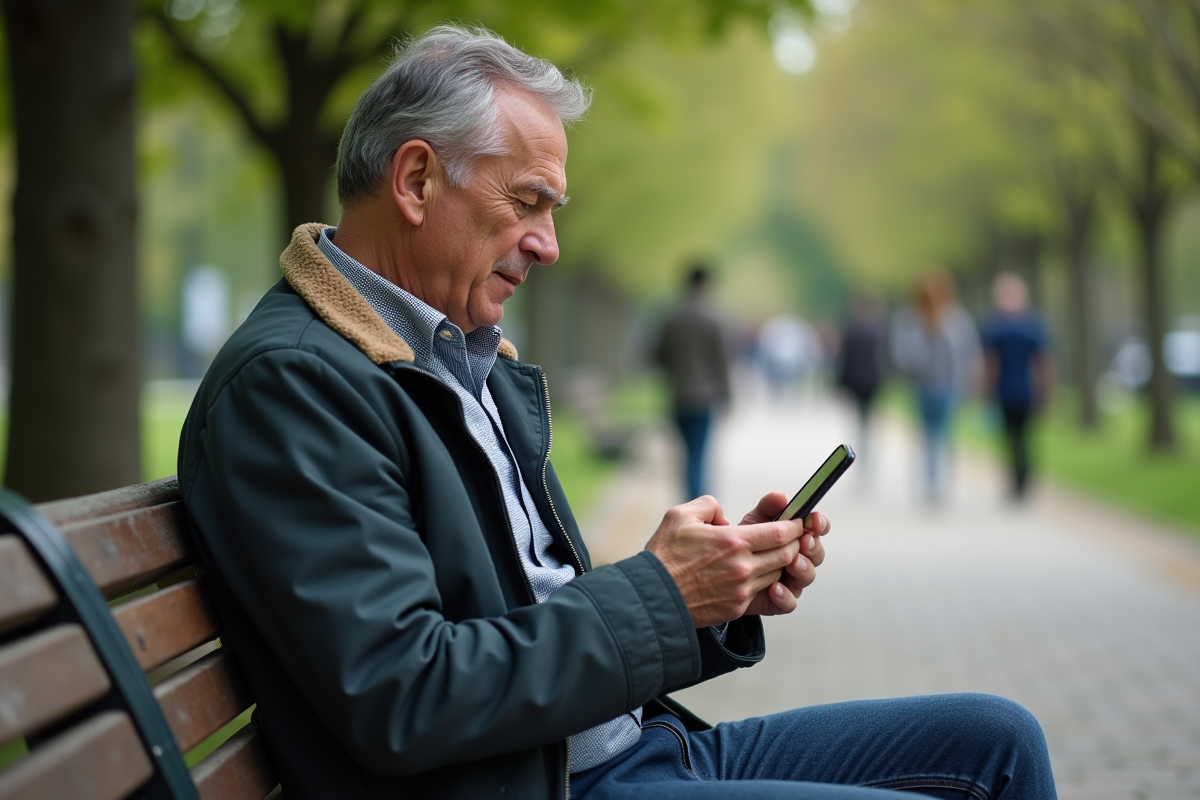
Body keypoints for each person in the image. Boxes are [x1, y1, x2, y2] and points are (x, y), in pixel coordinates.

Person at [178, 24, 1056, 799]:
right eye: (527, 203)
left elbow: (527, 611)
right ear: (415, 180)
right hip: (555, 782)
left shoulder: (444, 358)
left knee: (999, 738)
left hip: (621, 751)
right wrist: (660, 595)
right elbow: (404, 694)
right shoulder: (297, 383)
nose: (549, 245)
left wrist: (709, 597)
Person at [891, 270, 981, 502]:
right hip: (924, 387)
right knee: (932, 435)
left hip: (946, 386)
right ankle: (933, 483)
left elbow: (967, 354)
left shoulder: (954, 318)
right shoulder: (912, 319)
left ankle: (938, 482)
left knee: (941, 435)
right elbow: (903, 355)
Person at [653, 264, 732, 500]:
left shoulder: (672, 318)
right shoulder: (713, 318)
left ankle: (691, 500)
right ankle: (699, 502)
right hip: (704, 397)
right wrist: (727, 395)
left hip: (678, 394)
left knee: (686, 452)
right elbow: (721, 361)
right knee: (699, 453)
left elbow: (658, 356)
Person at [981, 272, 1053, 500]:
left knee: (1012, 438)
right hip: (1025, 391)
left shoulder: (995, 326)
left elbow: (989, 363)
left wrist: (984, 390)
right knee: (1024, 437)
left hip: (1007, 390)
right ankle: (1024, 480)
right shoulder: (1033, 324)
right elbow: (1044, 363)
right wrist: (1047, 392)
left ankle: (1017, 481)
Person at [836, 292, 887, 464]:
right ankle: (868, 452)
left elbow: (844, 361)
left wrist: (841, 384)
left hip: (857, 382)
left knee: (861, 419)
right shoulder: (877, 333)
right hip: (872, 381)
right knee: (868, 418)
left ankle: (864, 451)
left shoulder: (851, 333)